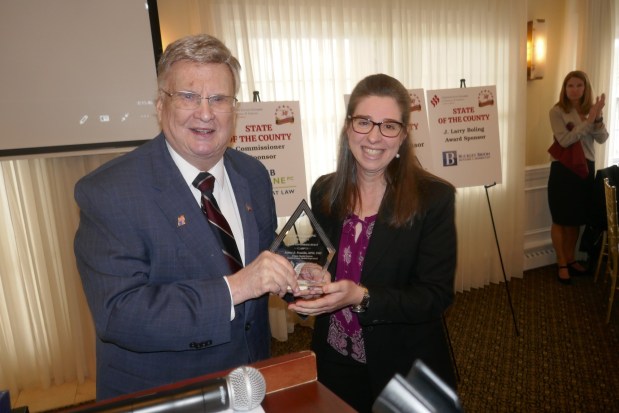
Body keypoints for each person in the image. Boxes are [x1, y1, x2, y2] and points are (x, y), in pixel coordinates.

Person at [74, 34, 300, 400]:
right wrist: (238, 287)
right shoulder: (109, 192)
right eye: (189, 97)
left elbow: (263, 255)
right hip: (166, 395)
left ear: (234, 108)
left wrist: (300, 277)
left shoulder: (253, 175)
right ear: (161, 105)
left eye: (218, 99)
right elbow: (120, 314)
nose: (206, 113)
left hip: (250, 385)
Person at [288, 73, 458, 412]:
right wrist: (306, 276)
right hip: (334, 357)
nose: (374, 137)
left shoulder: (433, 198)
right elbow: (300, 260)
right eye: (364, 122)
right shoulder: (324, 190)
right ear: (348, 127)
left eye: (389, 126)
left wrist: (361, 298)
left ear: (404, 135)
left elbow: (435, 296)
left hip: (403, 363)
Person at [548, 70, 608, 284]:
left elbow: (602, 138)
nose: (574, 89)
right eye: (570, 85)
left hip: (586, 168)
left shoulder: (589, 110)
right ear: (564, 89)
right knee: (560, 219)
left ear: (585, 88)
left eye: (579, 85)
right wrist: (587, 122)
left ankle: (571, 259)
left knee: (575, 220)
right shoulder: (557, 111)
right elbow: (564, 141)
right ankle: (561, 262)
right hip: (563, 170)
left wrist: (597, 117)